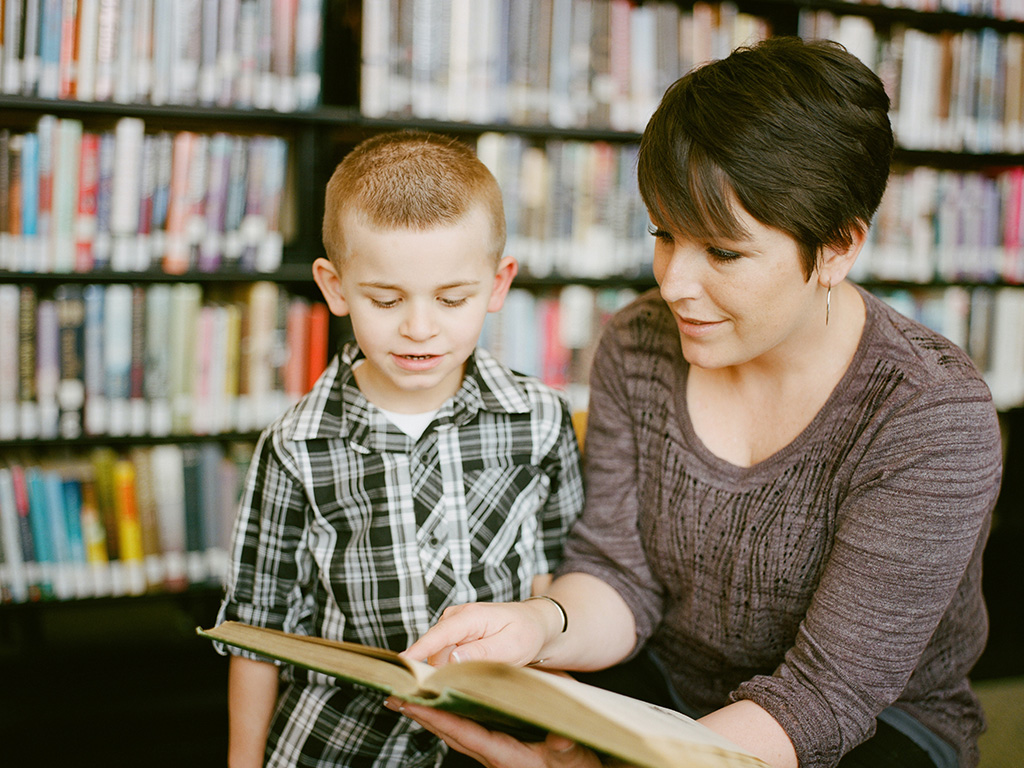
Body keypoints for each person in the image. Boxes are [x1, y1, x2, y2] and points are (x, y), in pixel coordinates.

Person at [396, 37, 1003, 768]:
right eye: (663, 233)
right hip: (664, 685)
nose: (674, 281)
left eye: (722, 252)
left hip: (877, 730)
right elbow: (618, 575)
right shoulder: (638, 342)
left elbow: (825, 698)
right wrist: (541, 624)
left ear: (838, 248)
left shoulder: (931, 415)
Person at [216, 130, 584, 768]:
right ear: (335, 288)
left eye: (452, 298)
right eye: (386, 300)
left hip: (498, 737)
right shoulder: (296, 446)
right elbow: (256, 629)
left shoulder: (541, 419)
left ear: (498, 286)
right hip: (338, 743)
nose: (419, 328)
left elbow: (559, 574)